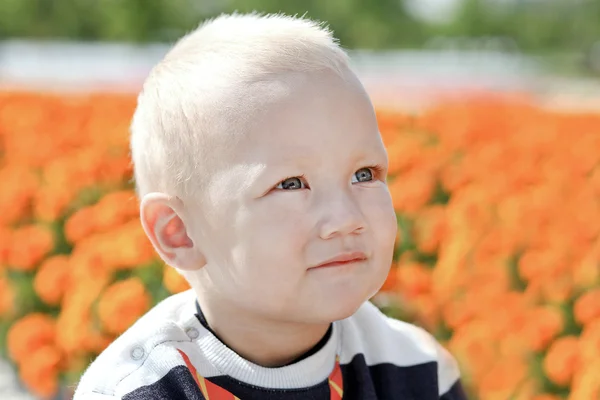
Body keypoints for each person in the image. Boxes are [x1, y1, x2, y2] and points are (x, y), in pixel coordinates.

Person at [74, 12, 468, 400]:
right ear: (179, 232)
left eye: (364, 174)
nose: (346, 219)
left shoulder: (417, 371)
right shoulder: (140, 389)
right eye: (291, 184)